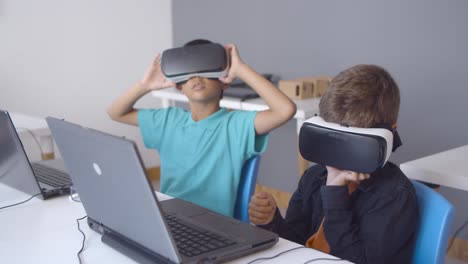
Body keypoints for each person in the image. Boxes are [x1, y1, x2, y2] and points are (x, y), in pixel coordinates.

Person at [248, 64, 418, 264]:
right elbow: (294, 243)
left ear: (388, 135)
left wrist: (335, 194)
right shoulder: (314, 178)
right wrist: (272, 222)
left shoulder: (393, 196)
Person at [107, 39, 296, 217]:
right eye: (188, 73)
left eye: (205, 70)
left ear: (224, 82)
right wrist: (145, 85)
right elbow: (115, 112)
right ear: (180, 86)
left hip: (213, 224)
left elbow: (285, 110)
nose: (196, 77)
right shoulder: (167, 120)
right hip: (168, 217)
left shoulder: (237, 125)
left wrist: (240, 69)